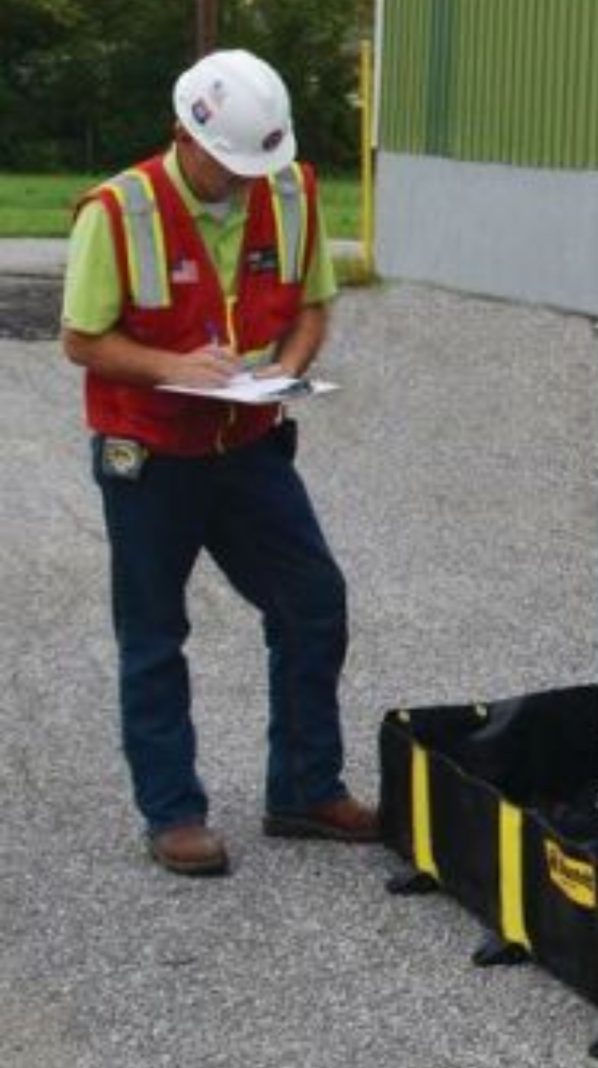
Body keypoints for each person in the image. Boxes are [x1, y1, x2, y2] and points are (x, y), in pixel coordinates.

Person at [60, 48, 376, 876]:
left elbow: (312, 307)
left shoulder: (289, 191)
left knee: (313, 602)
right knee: (154, 632)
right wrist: (173, 367)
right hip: (151, 454)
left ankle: (304, 789)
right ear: (183, 136)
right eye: (227, 166)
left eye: (253, 167)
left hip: (248, 446)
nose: (242, 182)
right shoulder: (119, 210)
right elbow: (82, 340)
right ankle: (173, 813)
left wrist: (288, 370)